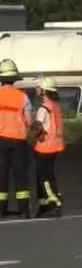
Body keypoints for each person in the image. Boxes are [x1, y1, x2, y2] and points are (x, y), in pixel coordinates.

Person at [0, 58, 35, 217]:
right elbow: (29, 122)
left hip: (0, 141)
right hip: (19, 141)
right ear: (14, 79)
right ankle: (23, 211)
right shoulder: (23, 97)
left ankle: (1, 210)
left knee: (1, 176)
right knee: (20, 176)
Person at [32, 78, 65, 216]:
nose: (37, 90)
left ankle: (53, 199)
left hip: (45, 147)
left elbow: (38, 126)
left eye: (39, 88)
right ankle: (45, 203)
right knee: (50, 175)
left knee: (43, 177)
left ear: (44, 91)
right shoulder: (55, 106)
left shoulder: (43, 108)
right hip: (55, 146)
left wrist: (33, 128)